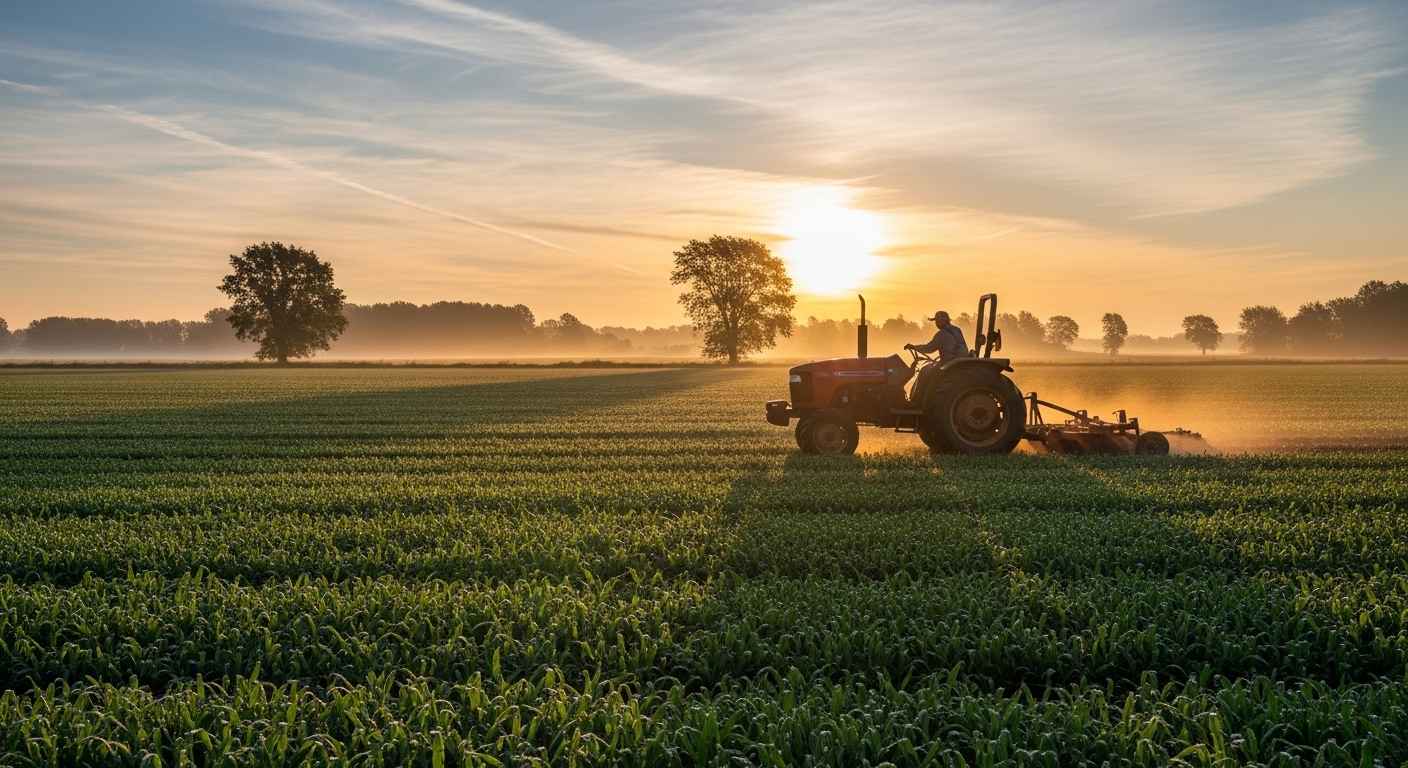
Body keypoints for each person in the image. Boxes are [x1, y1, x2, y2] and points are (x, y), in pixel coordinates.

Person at [905, 311, 970, 362]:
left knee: (927, 371)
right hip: (963, 360)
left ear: (943, 321)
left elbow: (929, 348)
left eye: (937, 321)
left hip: (950, 361)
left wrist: (913, 347)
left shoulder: (942, 334)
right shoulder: (957, 330)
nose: (936, 323)